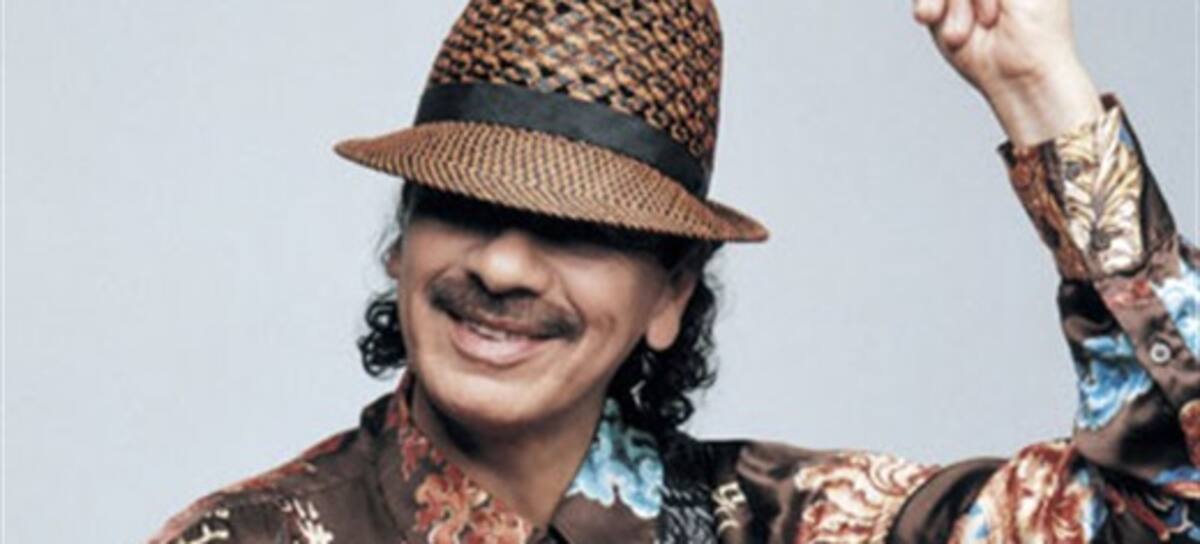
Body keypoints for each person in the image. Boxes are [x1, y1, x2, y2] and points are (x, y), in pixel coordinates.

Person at [150, 0, 1200, 542]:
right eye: (464, 207)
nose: (503, 265)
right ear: (402, 240)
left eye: (578, 229)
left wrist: (1044, 98)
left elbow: (1165, 507)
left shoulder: (788, 523)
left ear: (672, 294)